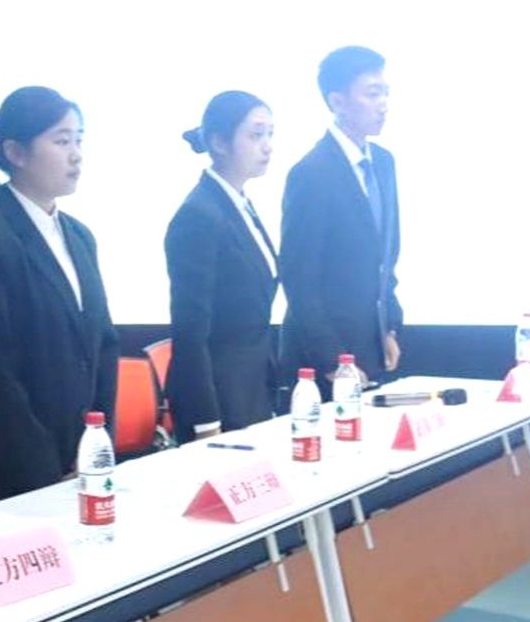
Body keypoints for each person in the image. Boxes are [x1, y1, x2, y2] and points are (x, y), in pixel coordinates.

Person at [0, 86, 119, 514]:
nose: (76, 155)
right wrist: (46, 474)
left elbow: (103, 345)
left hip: (77, 463)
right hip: (8, 476)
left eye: (79, 140)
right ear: (15, 153)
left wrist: (94, 448)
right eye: (61, 141)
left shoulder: (80, 236)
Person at [280, 45, 402, 400]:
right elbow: (299, 276)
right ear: (337, 101)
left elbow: (384, 256)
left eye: (385, 92)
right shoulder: (311, 172)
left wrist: (390, 326)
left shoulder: (383, 162)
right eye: (372, 94)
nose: (383, 104)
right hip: (321, 360)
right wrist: (331, 358)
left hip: (371, 345)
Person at [164, 91, 280, 443]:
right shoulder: (199, 215)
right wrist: (205, 420)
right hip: (217, 398)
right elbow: (191, 330)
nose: (267, 145)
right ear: (219, 142)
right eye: (255, 135)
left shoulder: (238, 204)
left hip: (250, 388)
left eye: (270, 134)